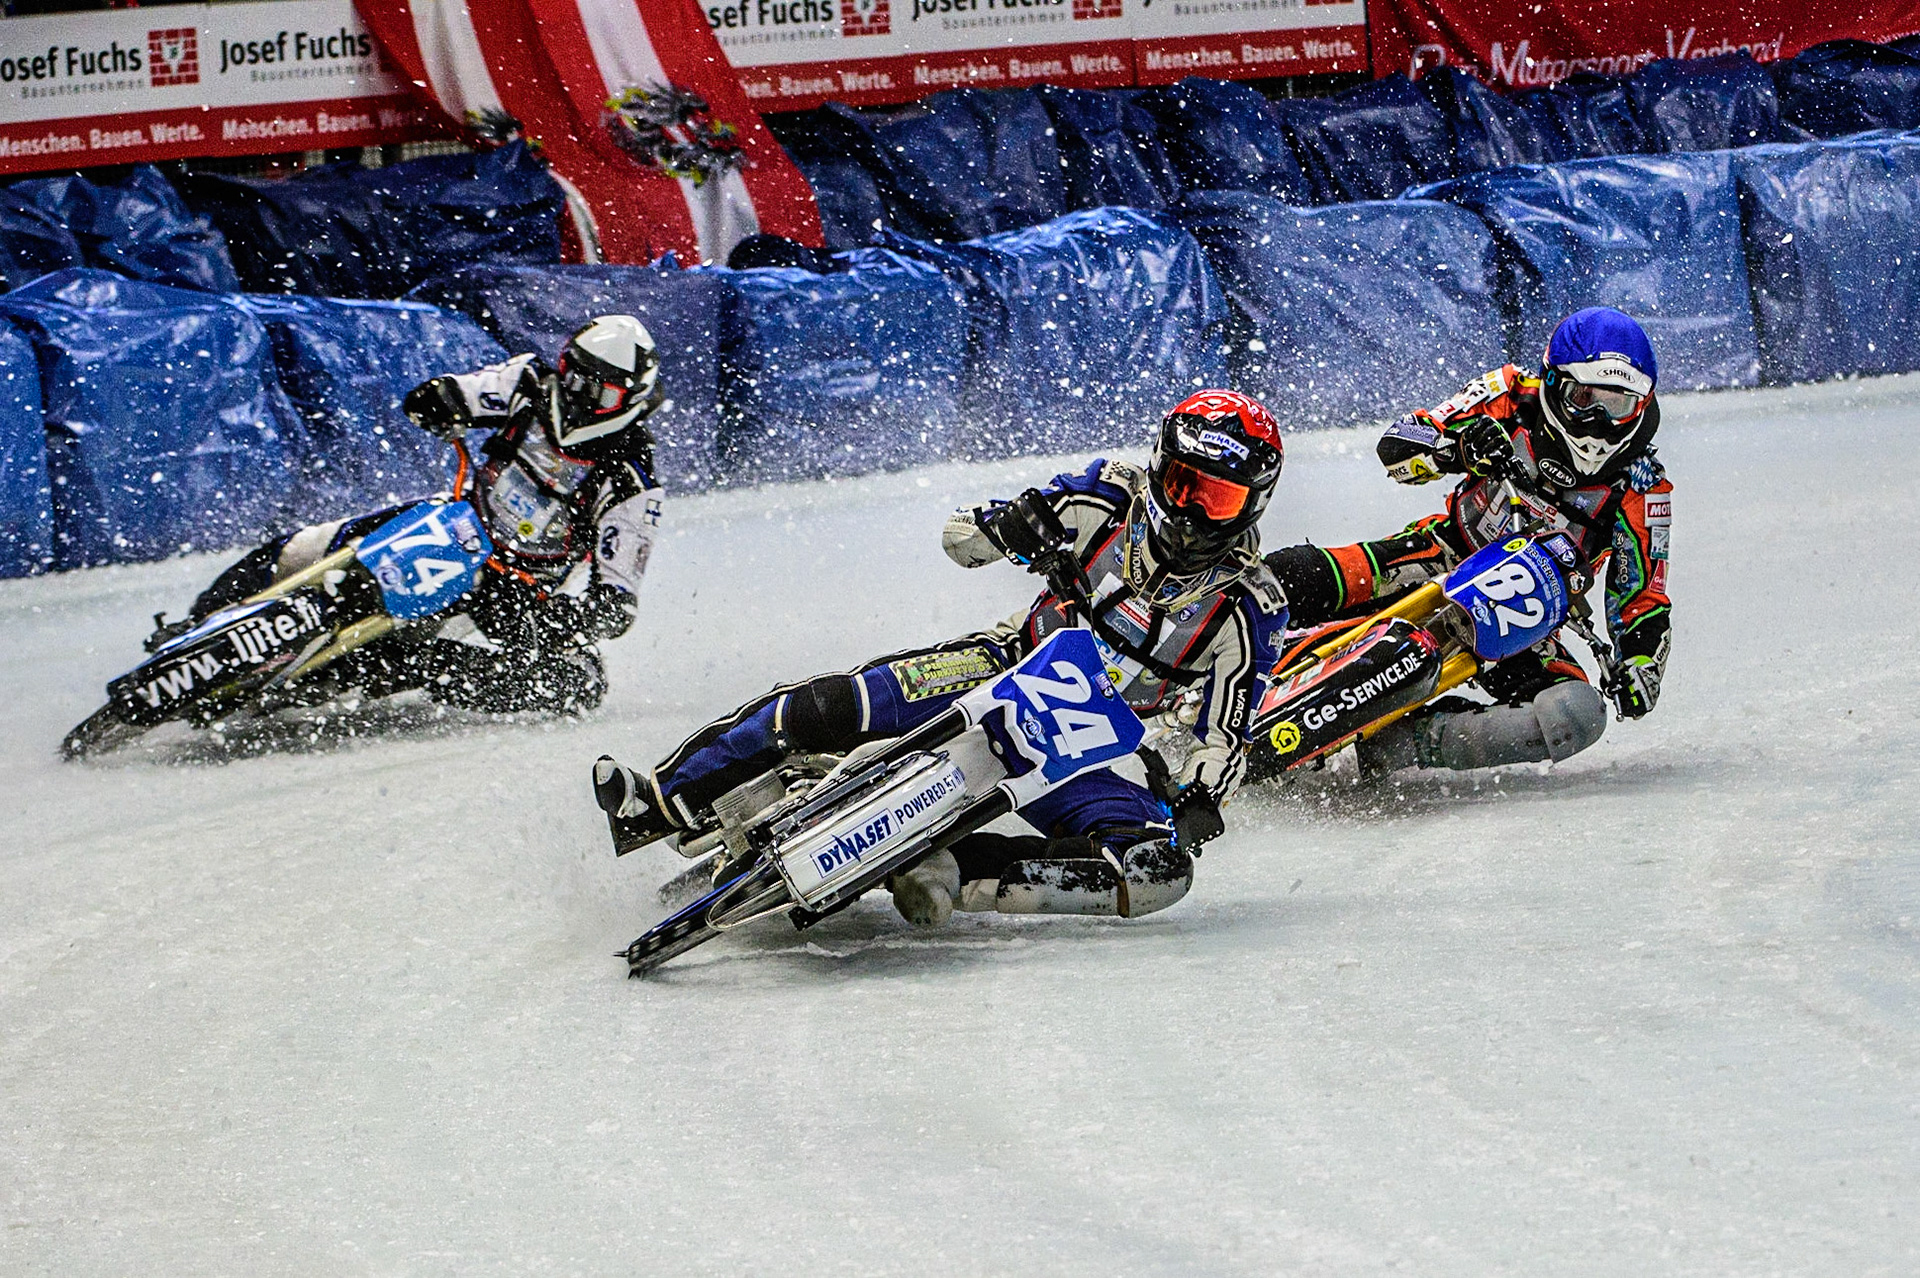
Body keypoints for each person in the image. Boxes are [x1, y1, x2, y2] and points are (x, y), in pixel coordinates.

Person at [592, 390, 1291, 925]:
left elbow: (1225, 732)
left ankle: (954, 868)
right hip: (1001, 665)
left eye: (1217, 498)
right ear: (1160, 468)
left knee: (1155, 869)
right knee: (841, 703)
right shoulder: (1104, 496)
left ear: (1252, 505)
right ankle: (664, 796)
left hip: (1085, 748)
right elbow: (962, 537)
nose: (1191, 510)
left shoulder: (1250, 609)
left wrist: (1201, 793)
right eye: (1181, 484)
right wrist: (1008, 527)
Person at [155, 315, 666, 715]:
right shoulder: (530, 381)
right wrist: (439, 399)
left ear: (629, 399)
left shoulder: (632, 482)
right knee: (310, 544)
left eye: (597, 390)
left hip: (517, 586)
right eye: (572, 372)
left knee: (578, 685)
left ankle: (413, 668)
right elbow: (461, 392)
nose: (575, 393)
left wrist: (571, 620)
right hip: (454, 523)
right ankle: (194, 623)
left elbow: (617, 601)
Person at [1263, 306, 1671, 777]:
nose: (1598, 421)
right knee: (1294, 573)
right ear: (1555, 383)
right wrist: (1460, 449)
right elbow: (1399, 443)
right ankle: (1208, 652)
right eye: (1584, 398)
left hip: (1526, 618)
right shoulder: (1510, 395)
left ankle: (1406, 743)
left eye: (1617, 405)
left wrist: (1639, 666)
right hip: (1444, 552)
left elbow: (1643, 596)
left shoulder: (1643, 486)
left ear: (1641, 405)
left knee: (1575, 712)